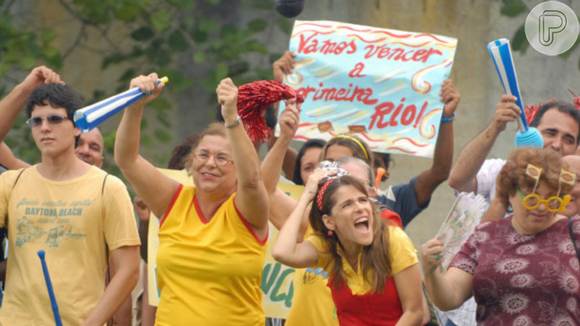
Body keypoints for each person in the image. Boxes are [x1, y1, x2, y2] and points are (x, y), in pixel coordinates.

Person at [114, 74, 269, 325]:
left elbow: (252, 181)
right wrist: (133, 107)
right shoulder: (173, 200)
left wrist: (232, 119)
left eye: (221, 158)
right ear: (192, 161)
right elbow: (127, 159)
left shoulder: (248, 210)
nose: (210, 163)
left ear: (238, 168)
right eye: (203, 154)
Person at [0, 82, 140, 325]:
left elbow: (129, 271)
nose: (44, 128)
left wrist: (92, 323)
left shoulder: (109, 187)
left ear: (77, 127)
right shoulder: (10, 183)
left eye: (54, 119)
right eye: (36, 121)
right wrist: (25, 88)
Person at [422, 148, 580, 325]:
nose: (542, 207)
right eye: (532, 198)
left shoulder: (574, 231)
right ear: (510, 193)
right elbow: (450, 297)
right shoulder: (485, 235)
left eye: (551, 199)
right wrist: (431, 270)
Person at [273, 170, 423, 325]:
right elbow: (282, 253)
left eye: (363, 200)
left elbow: (415, 312)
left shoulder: (393, 239)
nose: (360, 208)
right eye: (347, 204)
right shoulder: (327, 248)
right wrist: (305, 197)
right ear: (329, 221)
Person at [321, 79, 460, 227]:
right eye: (329, 163)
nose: (335, 170)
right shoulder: (312, 200)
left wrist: (445, 117)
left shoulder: (393, 200)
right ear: (328, 221)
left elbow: (440, 171)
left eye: (344, 163)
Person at [449, 98, 580, 204]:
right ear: (530, 132)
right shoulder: (501, 171)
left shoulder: (575, 192)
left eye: (568, 140)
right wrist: (495, 126)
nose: (557, 145)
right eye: (550, 133)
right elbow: (458, 181)